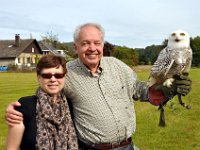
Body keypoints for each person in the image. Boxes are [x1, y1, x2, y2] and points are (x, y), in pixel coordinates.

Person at [5, 23, 192, 150]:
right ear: (76, 47)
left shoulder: (117, 66)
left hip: (128, 146)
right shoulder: (67, 72)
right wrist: (17, 110)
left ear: (102, 45)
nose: (92, 48)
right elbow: (47, 93)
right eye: (85, 43)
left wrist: (165, 88)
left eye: (96, 43)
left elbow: (141, 90)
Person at [6, 54, 78, 150]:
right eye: (47, 75)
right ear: (39, 78)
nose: (53, 79)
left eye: (58, 75)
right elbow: (12, 147)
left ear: (64, 77)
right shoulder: (25, 106)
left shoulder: (70, 105)